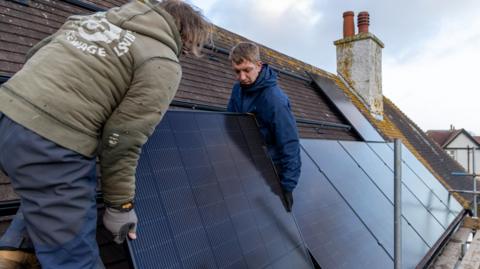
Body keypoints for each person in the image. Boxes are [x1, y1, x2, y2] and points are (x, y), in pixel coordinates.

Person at [0, 0, 210, 268]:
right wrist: (119, 206)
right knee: (77, 258)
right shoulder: (161, 60)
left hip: (7, 117)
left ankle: (14, 250)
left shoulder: (89, 20)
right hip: (51, 147)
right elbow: (122, 140)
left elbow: (35, 56)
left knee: (45, 192)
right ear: (185, 35)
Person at [227, 42, 301, 212]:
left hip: (269, 170)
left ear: (259, 66)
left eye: (247, 70)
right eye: (237, 71)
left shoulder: (274, 100)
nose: (242, 77)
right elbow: (231, 123)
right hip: (244, 164)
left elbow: (289, 143)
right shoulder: (237, 90)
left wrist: (287, 187)